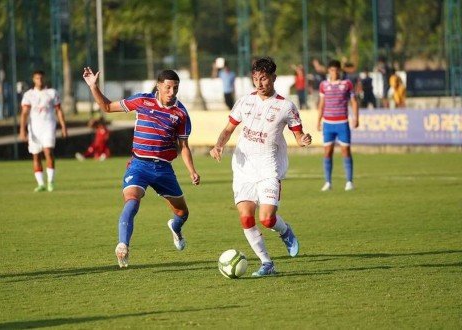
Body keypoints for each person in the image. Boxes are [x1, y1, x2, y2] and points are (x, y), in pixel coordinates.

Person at [82, 67, 201, 268]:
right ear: (159, 86)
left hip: (164, 169)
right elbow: (108, 107)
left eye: (175, 88)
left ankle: (175, 227)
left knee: (182, 213)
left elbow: (184, 146)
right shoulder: (142, 101)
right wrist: (94, 86)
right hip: (139, 165)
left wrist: (192, 171)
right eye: (168, 88)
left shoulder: (181, 113)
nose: (172, 93)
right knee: (132, 201)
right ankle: (122, 245)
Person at [209, 57, 312, 277]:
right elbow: (228, 129)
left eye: (263, 78)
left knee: (267, 219)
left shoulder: (286, 106)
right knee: (246, 217)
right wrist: (218, 145)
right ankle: (267, 263)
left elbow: (298, 134)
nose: (259, 83)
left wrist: (303, 139)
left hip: (269, 167)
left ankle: (284, 231)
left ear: (274, 78)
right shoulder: (245, 101)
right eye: (255, 78)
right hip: (243, 167)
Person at [19, 70, 68, 192]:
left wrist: (63, 127)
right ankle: (41, 184)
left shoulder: (51, 93)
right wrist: (22, 129)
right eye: (37, 78)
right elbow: (24, 113)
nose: (39, 80)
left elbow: (59, 111)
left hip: (48, 127)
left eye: (41, 78)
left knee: (48, 152)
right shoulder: (28, 95)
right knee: (36, 156)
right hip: (34, 129)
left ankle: (50, 182)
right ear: (33, 79)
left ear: (44, 79)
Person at [317, 60, 359, 192]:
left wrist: (356, 117)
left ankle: (349, 181)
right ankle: (328, 182)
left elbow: (353, 102)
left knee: (346, 151)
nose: (334, 72)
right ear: (328, 71)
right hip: (328, 124)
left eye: (336, 70)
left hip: (342, 123)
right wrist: (318, 120)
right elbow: (322, 103)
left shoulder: (346, 84)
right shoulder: (324, 85)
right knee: (327, 152)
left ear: (339, 71)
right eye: (331, 70)